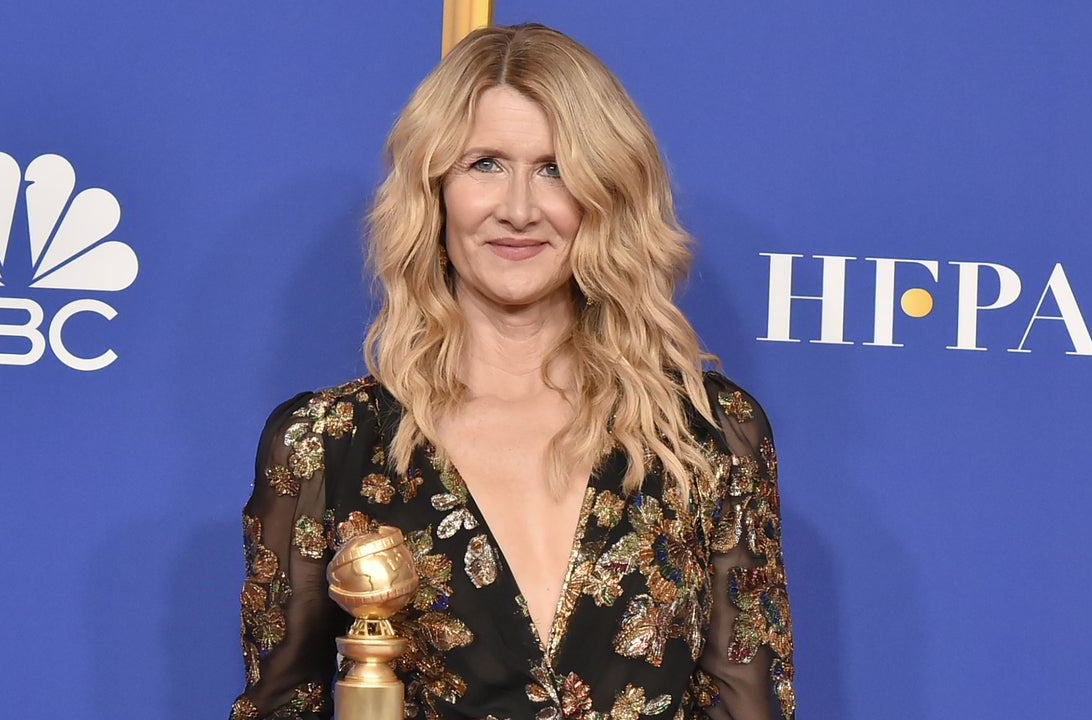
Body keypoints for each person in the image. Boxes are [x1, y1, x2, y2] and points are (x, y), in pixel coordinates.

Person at [231, 23, 795, 720]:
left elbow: (747, 708)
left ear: (605, 195)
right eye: (485, 165)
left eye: (555, 168)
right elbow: (286, 705)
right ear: (433, 191)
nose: (520, 209)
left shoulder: (709, 435)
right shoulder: (325, 444)